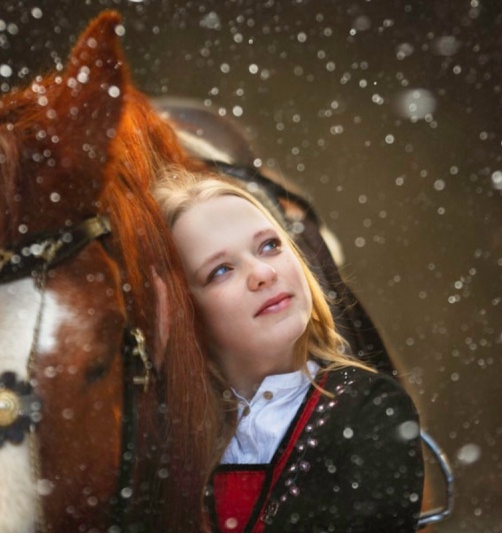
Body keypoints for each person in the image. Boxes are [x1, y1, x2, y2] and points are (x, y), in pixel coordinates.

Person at [153, 167, 424, 532]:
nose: (262, 272)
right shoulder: (164, 440)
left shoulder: (368, 408)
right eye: (221, 270)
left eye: (269, 245)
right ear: (182, 311)